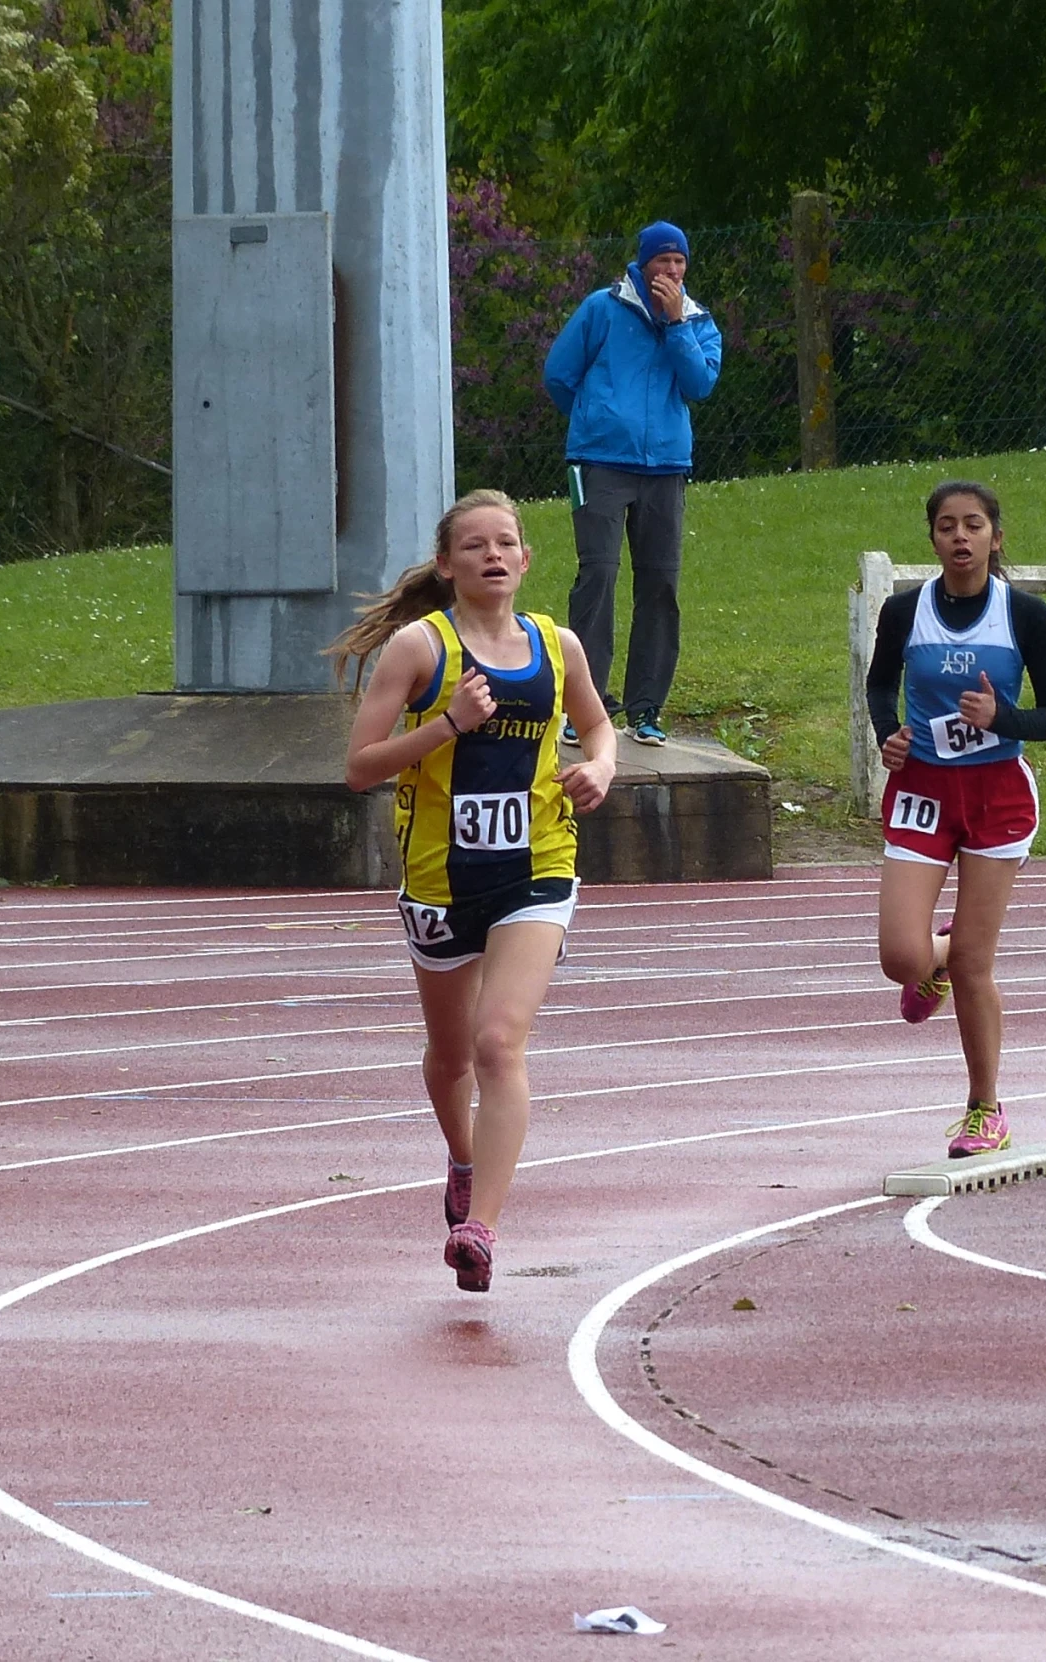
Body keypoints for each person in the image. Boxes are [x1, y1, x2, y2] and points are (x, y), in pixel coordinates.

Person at [330, 489, 618, 1291]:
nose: (493, 555)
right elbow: (360, 767)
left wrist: (598, 766)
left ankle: (482, 1228)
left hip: (537, 865)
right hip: (438, 879)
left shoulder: (556, 647)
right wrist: (447, 725)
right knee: (452, 1053)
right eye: (474, 546)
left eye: (506, 543)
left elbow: (597, 725)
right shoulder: (419, 650)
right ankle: (462, 1156)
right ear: (447, 565)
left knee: (498, 1042)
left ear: (526, 559)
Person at [864, 481, 1046, 1158]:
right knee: (900, 958)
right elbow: (878, 682)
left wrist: (1001, 718)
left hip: (996, 798)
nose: (960, 537)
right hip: (923, 790)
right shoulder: (904, 610)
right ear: (932, 538)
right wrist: (888, 732)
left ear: (994, 538)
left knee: (978, 965)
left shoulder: (1024, 614)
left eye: (973, 525)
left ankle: (985, 1108)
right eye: (947, 526)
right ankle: (938, 957)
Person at [541, 220, 723, 749]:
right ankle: (585, 705)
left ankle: (646, 709)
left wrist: (675, 326)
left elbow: (700, 384)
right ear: (641, 265)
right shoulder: (602, 308)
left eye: (679, 263)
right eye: (661, 261)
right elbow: (558, 372)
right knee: (597, 576)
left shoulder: (698, 322)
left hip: (665, 469)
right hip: (597, 465)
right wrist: (593, 421)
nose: (670, 270)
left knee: (660, 584)